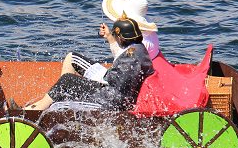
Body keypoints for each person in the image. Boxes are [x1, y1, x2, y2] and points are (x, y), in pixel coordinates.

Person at [25, 16, 154, 112]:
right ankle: (60, 94)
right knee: (72, 58)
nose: (114, 38)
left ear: (120, 38)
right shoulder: (137, 48)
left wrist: (86, 80)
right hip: (113, 88)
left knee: (67, 81)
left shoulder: (132, 57)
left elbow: (113, 81)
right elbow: (120, 63)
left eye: (115, 36)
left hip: (109, 100)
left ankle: (35, 110)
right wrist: (109, 36)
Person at [66, 0, 161, 82]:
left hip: (113, 82)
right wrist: (109, 36)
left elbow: (122, 63)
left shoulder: (141, 44)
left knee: (71, 59)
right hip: (123, 77)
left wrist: (111, 37)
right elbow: (124, 58)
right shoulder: (145, 36)